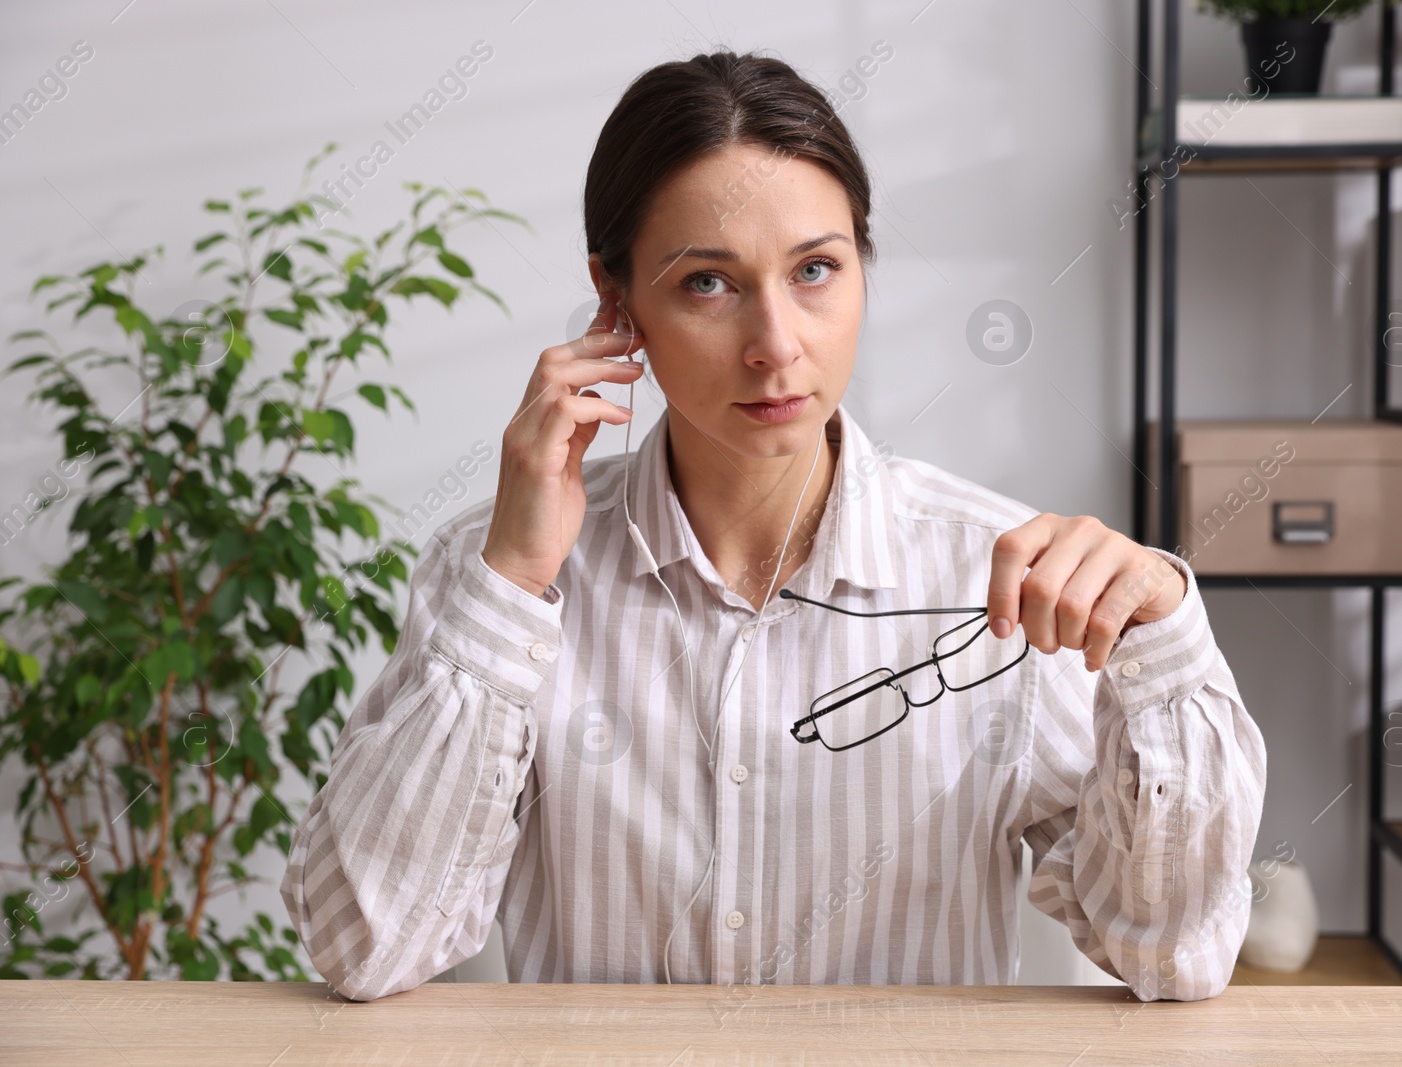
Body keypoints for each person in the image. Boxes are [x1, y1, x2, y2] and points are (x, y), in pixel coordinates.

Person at [279, 49, 1267, 1003]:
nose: (776, 345)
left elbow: (1172, 953)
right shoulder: (499, 570)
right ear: (617, 300)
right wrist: (507, 585)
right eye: (707, 281)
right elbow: (367, 941)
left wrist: (1164, 641)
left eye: (815, 270)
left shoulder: (999, 575)